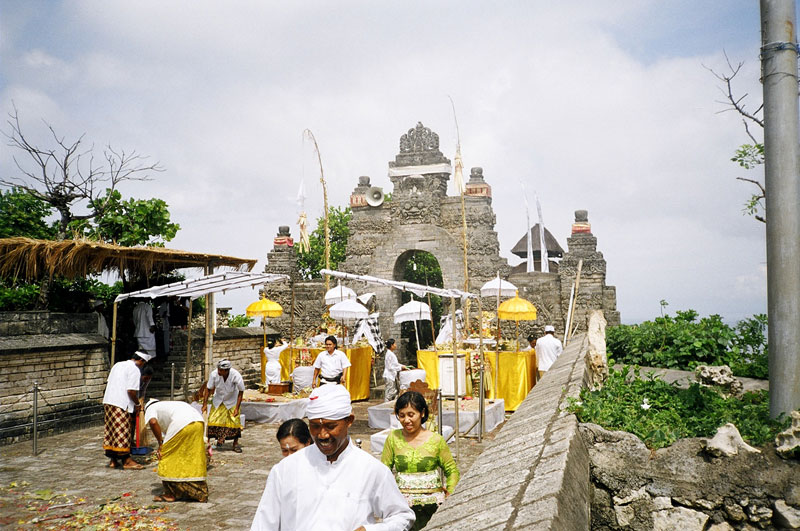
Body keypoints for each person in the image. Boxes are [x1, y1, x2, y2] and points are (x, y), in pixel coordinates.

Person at [250, 384, 415, 530]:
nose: (322, 435)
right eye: (315, 426)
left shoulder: (371, 469)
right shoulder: (285, 470)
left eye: (330, 426)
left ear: (349, 421)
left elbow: (402, 517)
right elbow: (263, 524)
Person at [381, 391, 460, 530]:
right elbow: (383, 471)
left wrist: (450, 494)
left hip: (432, 508)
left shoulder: (436, 440)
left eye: (411, 415)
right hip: (402, 508)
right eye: (402, 415)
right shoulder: (393, 438)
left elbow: (451, 470)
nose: (406, 420)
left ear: (422, 413)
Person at [145, 399, 208, 503]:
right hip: (198, 423)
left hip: (182, 425)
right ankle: (200, 492)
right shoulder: (170, 404)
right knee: (191, 457)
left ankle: (171, 493)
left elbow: (153, 422)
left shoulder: (151, 408)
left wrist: (161, 444)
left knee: (167, 456)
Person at [102, 350, 153, 469]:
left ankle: (113, 460)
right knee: (122, 432)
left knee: (111, 431)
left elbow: (110, 382)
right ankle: (126, 460)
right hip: (121, 403)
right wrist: (137, 404)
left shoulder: (117, 365)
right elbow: (131, 391)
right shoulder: (134, 370)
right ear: (141, 361)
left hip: (109, 401)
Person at [203, 359, 245, 453]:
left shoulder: (236, 375)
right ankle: (207, 444)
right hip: (218, 399)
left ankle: (235, 444)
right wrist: (205, 404)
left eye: (221, 370)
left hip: (232, 400)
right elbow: (208, 389)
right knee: (212, 420)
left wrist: (237, 408)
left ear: (227, 370)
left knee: (234, 421)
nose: (219, 371)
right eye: (218, 369)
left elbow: (241, 391)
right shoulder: (214, 374)